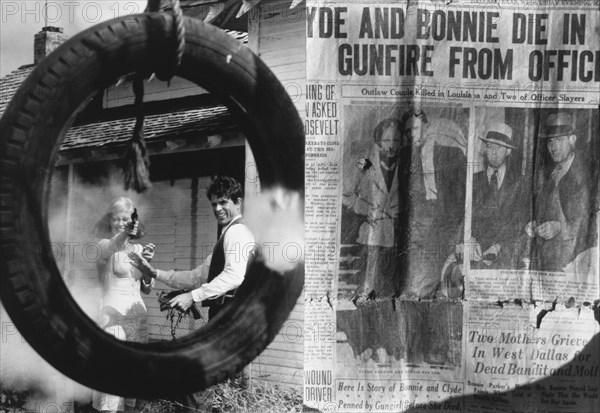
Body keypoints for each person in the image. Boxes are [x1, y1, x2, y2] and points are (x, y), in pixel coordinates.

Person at [130, 176, 255, 320]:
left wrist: (192, 296)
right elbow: (195, 277)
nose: (218, 209)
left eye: (223, 202)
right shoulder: (228, 234)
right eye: (214, 204)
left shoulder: (237, 231)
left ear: (238, 202)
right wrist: (154, 272)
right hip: (227, 315)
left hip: (234, 315)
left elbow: (234, 276)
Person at [92, 197, 155, 413]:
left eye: (125, 219)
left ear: (134, 221)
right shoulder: (104, 246)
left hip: (137, 317)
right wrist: (125, 232)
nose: (121, 223)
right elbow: (113, 245)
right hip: (113, 316)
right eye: (117, 219)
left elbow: (146, 288)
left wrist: (147, 267)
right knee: (112, 372)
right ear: (110, 222)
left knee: (133, 374)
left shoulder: (138, 249)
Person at [397, 108, 467, 298]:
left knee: (443, 274)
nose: (412, 135)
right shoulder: (403, 160)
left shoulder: (452, 154)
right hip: (418, 220)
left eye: (416, 128)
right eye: (407, 132)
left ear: (427, 127)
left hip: (446, 218)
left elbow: (463, 199)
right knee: (418, 275)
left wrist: (456, 228)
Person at [341, 118, 402, 300]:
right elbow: (346, 194)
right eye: (386, 140)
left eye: (396, 141)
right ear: (378, 140)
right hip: (369, 235)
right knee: (365, 288)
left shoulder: (404, 164)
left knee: (389, 290)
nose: (391, 146)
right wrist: (365, 210)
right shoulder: (365, 161)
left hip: (394, 238)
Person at [526, 112, 594, 271]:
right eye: (550, 141)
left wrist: (559, 228)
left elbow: (591, 223)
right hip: (549, 257)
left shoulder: (588, 173)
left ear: (572, 140)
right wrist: (535, 225)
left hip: (579, 259)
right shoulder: (549, 174)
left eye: (559, 140)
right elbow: (546, 212)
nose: (553, 147)